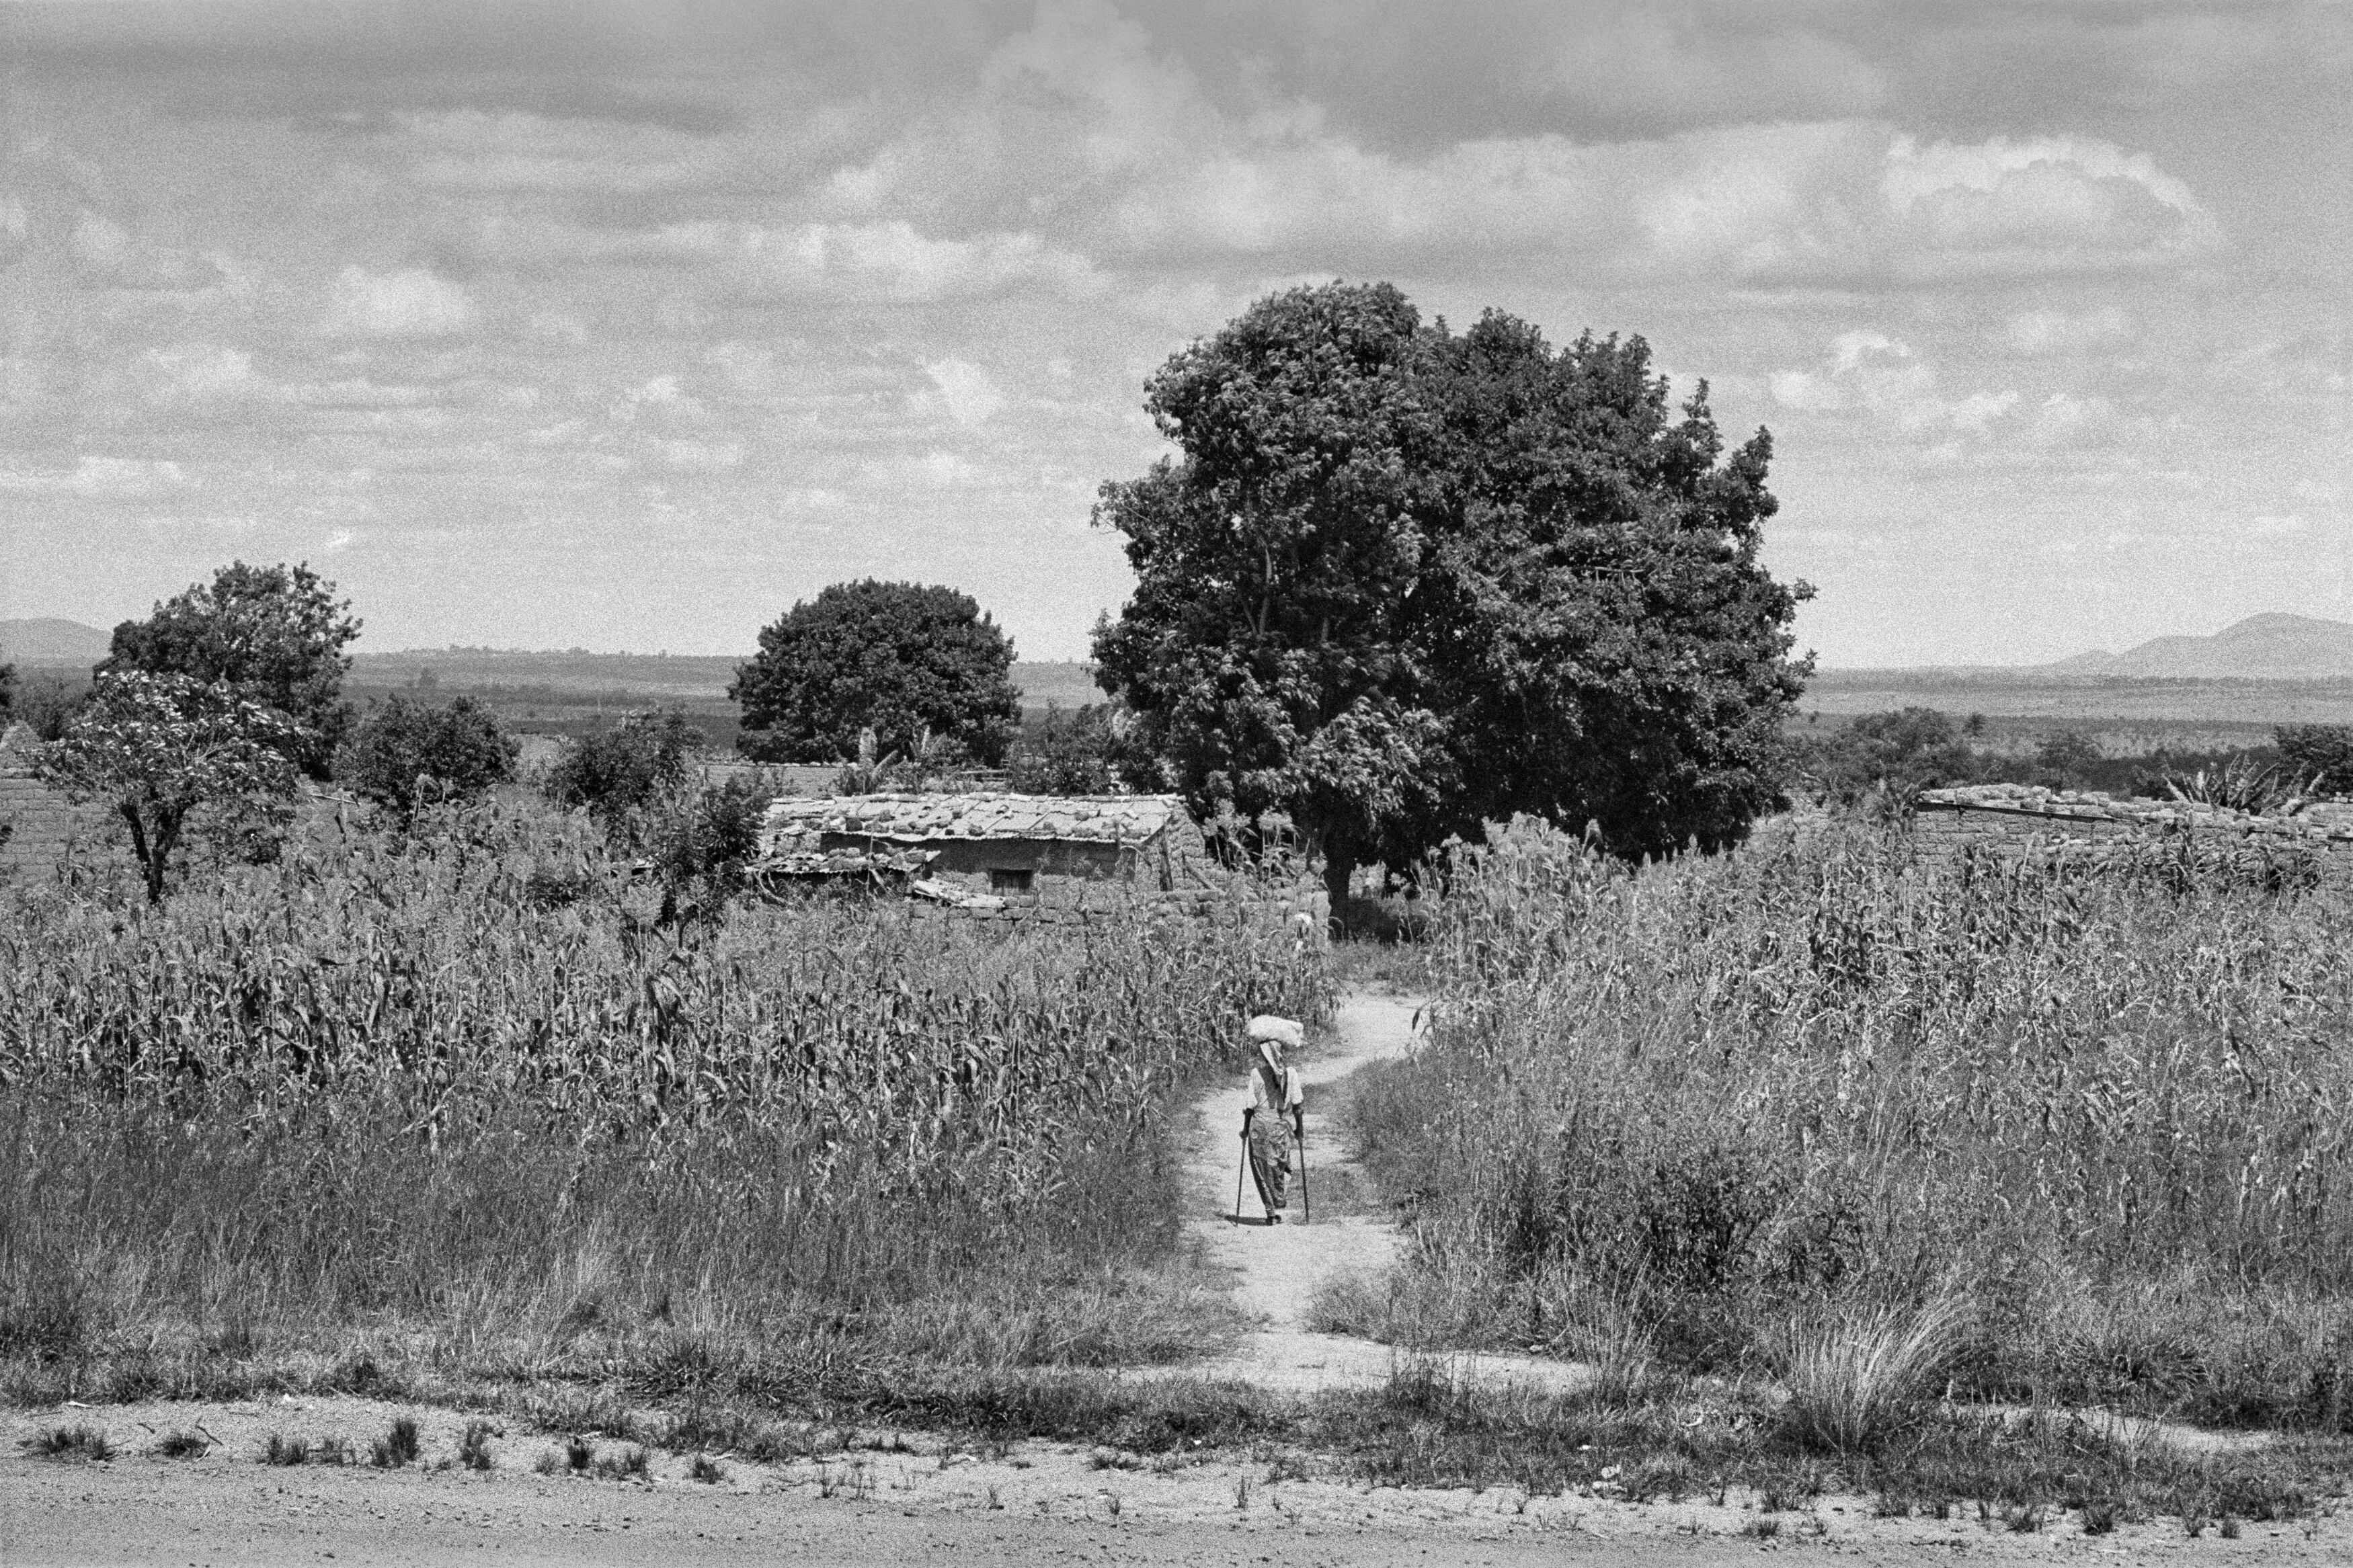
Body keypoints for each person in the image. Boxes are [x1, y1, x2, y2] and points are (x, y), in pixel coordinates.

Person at [1242, 1015, 1306, 1223]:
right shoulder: (1292, 1075)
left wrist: (1245, 1130)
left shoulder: (1255, 1074)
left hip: (1259, 1128)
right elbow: (1298, 1108)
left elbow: (1250, 1107)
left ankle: (1270, 1211)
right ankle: (1277, 1200)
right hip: (1278, 1128)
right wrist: (1299, 1131)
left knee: (1260, 1169)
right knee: (1278, 1166)